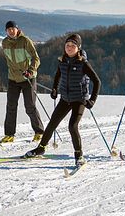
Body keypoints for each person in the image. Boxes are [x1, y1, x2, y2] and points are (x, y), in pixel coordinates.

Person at [23, 33, 100, 167]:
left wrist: (92, 100)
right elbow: (58, 75)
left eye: (72, 46)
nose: (69, 48)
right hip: (65, 98)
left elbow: (97, 81)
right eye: (67, 45)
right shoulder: (62, 60)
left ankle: (79, 156)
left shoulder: (83, 63)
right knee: (52, 123)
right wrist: (54, 89)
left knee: (72, 126)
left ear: (78, 48)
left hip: (79, 100)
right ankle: (41, 148)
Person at [0, 20, 44, 143]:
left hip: (27, 78)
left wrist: (30, 70)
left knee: (30, 106)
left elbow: (36, 58)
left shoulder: (25, 41)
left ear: (17, 29)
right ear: (6, 31)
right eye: (8, 30)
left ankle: (39, 132)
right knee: (11, 107)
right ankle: (9, 134)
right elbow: (9, 61)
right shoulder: (4, 43)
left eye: (12, 29)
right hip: (13, 79)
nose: (11, 31)